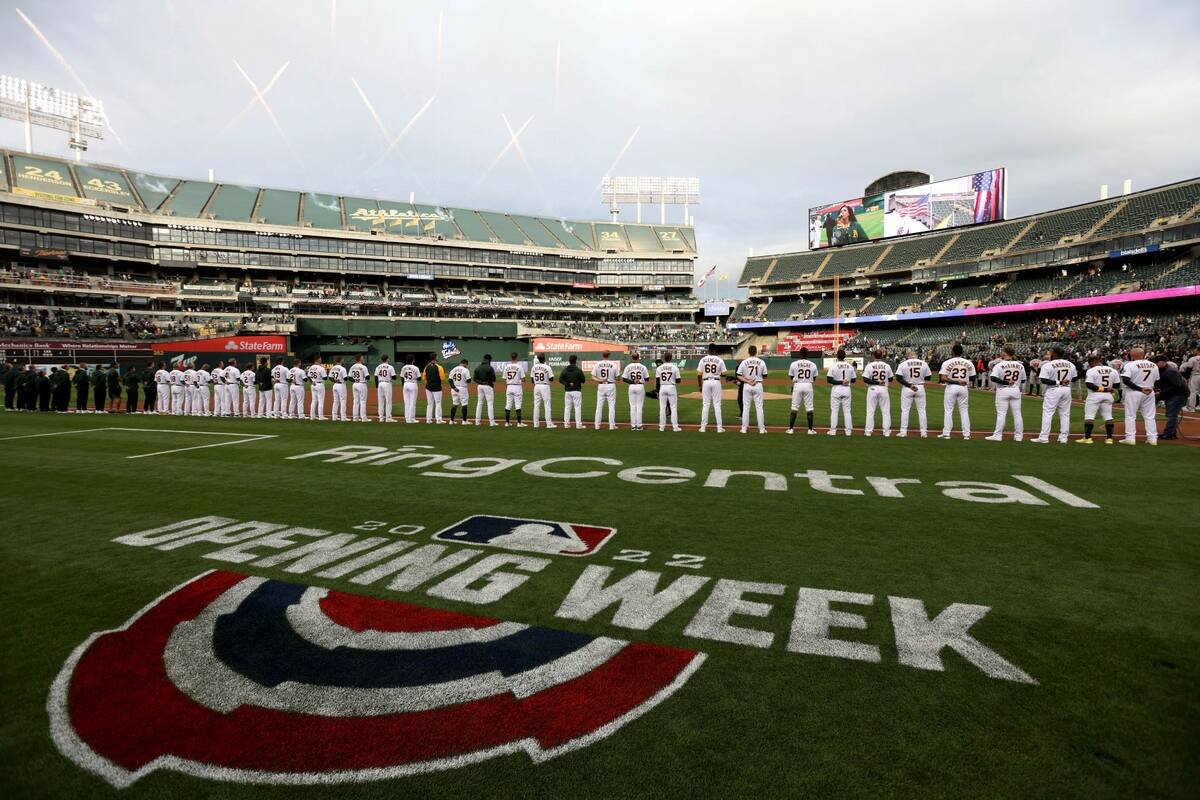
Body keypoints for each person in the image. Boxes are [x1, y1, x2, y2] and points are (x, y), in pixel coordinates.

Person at [1031, 347, 1077, 444]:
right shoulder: (1071, 364)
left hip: (1053, 389)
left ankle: (1044, 437)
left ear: (1055, 354)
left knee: (1048, 413)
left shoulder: (1048, 364)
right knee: (1065, 414)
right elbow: (1075, 378)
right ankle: (1063, 438)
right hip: (1066, 389)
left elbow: (1043, 380)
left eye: (1051, 352)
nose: (1050, 354)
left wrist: (1059, 381)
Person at [986, 345, 1027, 442]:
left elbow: (993, 378)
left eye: (1002, 352)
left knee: (1001, 414)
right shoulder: (1020, 365)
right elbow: (1023, 380)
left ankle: (998, 435)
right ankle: (1018, 436)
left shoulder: (999, 365)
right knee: (1017, 414)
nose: (1001, 353)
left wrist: (1006, 382)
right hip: (1015, 390)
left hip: (1003, 390)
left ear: (1005, 353)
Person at [1120, 347, 1159, 446]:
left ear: (1132, 355)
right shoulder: (1153, 365)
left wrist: (1140, 389)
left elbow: (1126, 380)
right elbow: (1157, 380)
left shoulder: (1130, 365)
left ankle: (1130, 438)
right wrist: (1151, 388)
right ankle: (1152, 438)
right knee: (1150, 416)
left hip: (1134, 392)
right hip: (1149, 391)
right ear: (1143, 354)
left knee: (1130, 416)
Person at [1078, 354, 1119, 444]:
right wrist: (1109, 389)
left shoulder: (1091, 370)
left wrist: (1103, 389)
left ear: (1092, 362)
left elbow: (1089, 385)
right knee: (1108, 416)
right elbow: (1117, 385)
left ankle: (1088, 438)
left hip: (1095, 395)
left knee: (1089, 416)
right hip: (1108, 395)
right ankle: (1109, 439)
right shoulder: (1112, 370)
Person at [938, 343, 975, 439]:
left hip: (951, 387)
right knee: (964, 411)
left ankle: (946, 434)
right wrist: (963, 381)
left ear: (953, 352)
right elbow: (973, 377)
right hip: (963, 388)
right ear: (962, 352)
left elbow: (942, 378)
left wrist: (956, 381)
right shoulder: (969, 362)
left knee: (948, 410)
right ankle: (967, 434)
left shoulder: (947, 362)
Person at [895, 350, 931, 437]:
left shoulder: (903, 364)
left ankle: (903, 432)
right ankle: (923, 432)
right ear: (916, 356)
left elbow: (898, 378)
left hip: (907, 388)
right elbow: (928, 377)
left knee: (905, 410)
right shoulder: (923, 363)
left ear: (908, 356)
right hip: (920, 387)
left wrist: (909, 385)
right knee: (922, 410)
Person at [1154, 354, 1188, 440]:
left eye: (1156, 362)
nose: (1155, 364)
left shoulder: (1170, 371)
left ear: (1162, 362)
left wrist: (1161, 393)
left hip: (1178, 394)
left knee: (1171, 414)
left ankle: (1169, 434)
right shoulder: (1165, 370)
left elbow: (1177, 385)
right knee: (1171, 414)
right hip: (1174, 394)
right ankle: (1171, 433)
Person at [861, 349, 894, 437]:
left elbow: (865, 379)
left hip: (872, 389)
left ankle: (868, 431)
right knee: (886, 411)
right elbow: (890, 379)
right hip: (883, 389)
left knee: (870, 411)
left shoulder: (869, 365)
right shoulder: (886, 366)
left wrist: (876, 382)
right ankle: (886, 432)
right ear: (882, 356)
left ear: (873, 356)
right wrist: (882, 381)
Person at [786, 349, 818, 435]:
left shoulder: (793, 364)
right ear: (807, 354)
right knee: (809, 408)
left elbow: (791, 377)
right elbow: (814, 378)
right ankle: (810, 430)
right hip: (808, 385)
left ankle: (791, 429)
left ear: (799, 354)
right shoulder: (813, 365)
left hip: (797, 385)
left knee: (794, 407)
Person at [736, 345, 768, 434]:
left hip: (747, 385)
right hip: (758, 385)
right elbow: (765, 376)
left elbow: (738, 375)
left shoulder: (744, 362)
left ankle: (744, 429)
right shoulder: (761, 362)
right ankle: (761, 429)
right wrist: (756, 379)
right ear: (756, 352)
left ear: (748, 352)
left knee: (746, 408)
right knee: (759, 408)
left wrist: (748, 381)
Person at [696, 344, 727, 433]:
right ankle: (719, 428)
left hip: (705, 382)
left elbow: (699, 375)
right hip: (716, 381)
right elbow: (724, 374)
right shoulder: (719, 360)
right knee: (717, 404)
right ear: (715, 350)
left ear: (708, 350)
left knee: (706, 404)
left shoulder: (703, 359)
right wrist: (717, 374)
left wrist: (700, 386)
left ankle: (702, 428)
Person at [826, 348, 857, 436]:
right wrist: (847, 381)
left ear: (837, 356)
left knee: (834, 411)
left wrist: (840, 382)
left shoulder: (834, 365)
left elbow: (829, 379)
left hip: (836, 389)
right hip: (847, 389)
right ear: (845, 356)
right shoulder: (850, 366)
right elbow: (854, 380)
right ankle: (848, 431)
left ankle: (833, 431)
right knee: (847, 411)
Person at [591, 350, 619, 430]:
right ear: (609, 355)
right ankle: (612, 425)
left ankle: (597, 425)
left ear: (603, 355)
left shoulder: (597, 364)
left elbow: (593, 377)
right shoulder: (613, 364)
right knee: (611, 406)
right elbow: (617, 378)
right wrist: (615, 378)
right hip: (611, 385)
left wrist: (600, 380)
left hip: (601, 385)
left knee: (599, 406)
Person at [622, 352, 650, 431]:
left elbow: (624, 379)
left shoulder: (628, 367)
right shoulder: (643, 367)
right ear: (638, 357)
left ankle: (633, 426)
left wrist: (633, 382)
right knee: (639, 406)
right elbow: (647, 379)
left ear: (632, 358)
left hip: (631, 387)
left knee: (632, 406)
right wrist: (640, 381)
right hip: (640, 386)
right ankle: (639, 425)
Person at [655, 351, 682, 432]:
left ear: (664, 358)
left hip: (662, 387)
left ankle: (661, 427)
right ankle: (675, 427)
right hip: (671, 387)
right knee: (673, 408)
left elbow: (657, 381)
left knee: (662, 408)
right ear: (671, 358)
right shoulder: (674, 367)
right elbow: (678, 381)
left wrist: (657, 391)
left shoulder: (659, 368)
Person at [558, 354, 585, 429]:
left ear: (569, 361)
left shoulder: (565, 370)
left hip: (568, 391)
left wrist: (567, 383)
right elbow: (583, 380)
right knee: (577, 407)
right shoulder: (578, 370)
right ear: (575, 361)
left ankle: (566, 424)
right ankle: (578, 425)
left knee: (567, 408)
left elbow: (560, 379)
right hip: (576, 390)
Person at [501, 352, 527, 427]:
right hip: (517, 387)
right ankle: (519, 423)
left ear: (511, 357)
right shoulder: (519, 367)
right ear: (517, 357)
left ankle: (507, 423)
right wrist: (519, 380)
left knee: (508, 405)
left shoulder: (507, 367)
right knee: (518, 405)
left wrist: (507, 388)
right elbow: (524, 379)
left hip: (509, 387)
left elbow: (504, 379)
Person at [530, 354, 556, 429]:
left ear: (538, 359)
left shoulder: (534, 367)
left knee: (536, 405)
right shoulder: (547, 367)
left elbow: (532, 380)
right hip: (545, 386)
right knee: (547, 405)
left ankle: (536, 424)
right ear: (544, 359)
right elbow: (551, 379)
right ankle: (549, 424)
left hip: (536, 386)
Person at [474, 353, 498, 426]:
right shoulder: (489, 367)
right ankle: (491, 422)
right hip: (488, 386)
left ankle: (477, 421)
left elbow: (474, 379)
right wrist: (486, 382)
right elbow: (494, 379)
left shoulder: (478, 367)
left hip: (479, 386)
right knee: (490, 403)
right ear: (489, 359)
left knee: (479, 403)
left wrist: (481, 382)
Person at [423, 352, 446, 424]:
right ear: (435, 358)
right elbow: (442, 378)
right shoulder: (439, 367)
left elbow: (424, 378)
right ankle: (438, 419)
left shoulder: (426, 367)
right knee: (438, 403)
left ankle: (428, 419)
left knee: (429, 404)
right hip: (437, 387)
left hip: (428, 387)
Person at [447, 358, 471, 424]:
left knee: (455, 404)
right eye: (467, 365)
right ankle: (464, 421)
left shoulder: (454, 369)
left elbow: (450, 380)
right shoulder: (465, 370)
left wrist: (454, 387)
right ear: (465, 364)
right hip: (462, 388)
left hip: (454, 389)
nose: (467, 366)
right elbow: (469, 380)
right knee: (464, 404)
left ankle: (451, 421)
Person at [374, 354, 396, 422]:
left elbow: (375, 377)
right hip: (387, 384)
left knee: (380, 401)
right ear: (387, 359)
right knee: (388, 401)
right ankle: (388, 418)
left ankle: (381, 418)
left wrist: (377, 386)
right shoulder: (390, 367)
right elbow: (394, 377)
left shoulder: (378, 367)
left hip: (380, 383)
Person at [400, 355, 421, 423]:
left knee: (406, 403)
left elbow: (402, 378)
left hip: (405, 384)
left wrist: (404, 385)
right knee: (412, 402)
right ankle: (411, 418)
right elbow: (419, 378)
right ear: (413, 360)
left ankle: (407, 418)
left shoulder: (404, 367)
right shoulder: (415, 368)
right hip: (413, 384)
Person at [348, 355, 370, 422]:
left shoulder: (352, 367)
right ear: (360, 359)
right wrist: (363, 380)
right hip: (362, 384)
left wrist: (355, 380)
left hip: (355, 384)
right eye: (362, 357)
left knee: (355, 401)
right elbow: (367, 377)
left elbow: (350, 377)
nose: (363, 358)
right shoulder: (363, 367)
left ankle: (355, 418)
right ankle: (363, 418)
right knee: (363, 401)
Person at [307, 355, 328, 420]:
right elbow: (325, 378)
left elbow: (308, 376)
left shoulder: (311, 367)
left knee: (314, 401)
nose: (321, 360)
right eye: (320, 359)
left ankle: (312, 416)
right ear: (318, 360)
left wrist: (311, 382)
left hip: (313, 384)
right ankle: (321, 417)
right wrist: (326, 372)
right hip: (319, 384)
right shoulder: (321, 368)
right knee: (321, 401)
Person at [327, 356, 348, 421]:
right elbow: (345, 378)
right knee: (343, 401)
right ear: (341, 360)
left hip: (335, 385)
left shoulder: (333, 368)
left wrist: (335, 381)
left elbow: (330, 377)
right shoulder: (342, 368)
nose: (343, 360)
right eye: (343, 359)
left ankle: (334, 416)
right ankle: (343, 417)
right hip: (341, 385)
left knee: (335, 401)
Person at [1182, 346, 1200, 413]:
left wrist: (1186, 378)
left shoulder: (1193, 358)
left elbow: (1189, 369)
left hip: (1195, 375)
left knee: (1193, 392)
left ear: (1198, 350)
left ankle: (1191, 408)